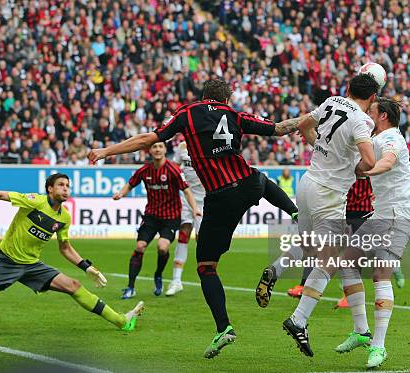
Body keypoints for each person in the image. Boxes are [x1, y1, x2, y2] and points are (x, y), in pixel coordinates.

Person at [88, 78, 302, 359]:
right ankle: (296, 212)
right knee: (260, 177)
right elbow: (279, 129)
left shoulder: (187, 113)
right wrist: (310, 119)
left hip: (220, 197)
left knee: (206, 267)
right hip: (249, 185)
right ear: (227, 98)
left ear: (204, 95)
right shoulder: (235, 114)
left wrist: (106, 151)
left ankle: (224, 327)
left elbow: (146, 139)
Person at [0, 174, 144, 338]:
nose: (66, 189)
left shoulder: (64, 217)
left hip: (32, 265)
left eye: (68, 186)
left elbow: (65, 248)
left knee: (73, 285)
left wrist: (87, 267)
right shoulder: (35, 201)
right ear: (50, 189)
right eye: (61, 185)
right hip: (6, 260)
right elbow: (2, 194)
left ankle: (122, 321)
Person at [256, 73, 379, 357]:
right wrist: (354, 169)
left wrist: (322, 149)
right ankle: (298, 319)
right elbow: (370, 161)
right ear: (372, 98)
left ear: (348, 89)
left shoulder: (332, 101)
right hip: (329, 193)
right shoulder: (362, 121)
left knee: (313, 248)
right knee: (330, 259)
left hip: (308, 183)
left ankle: (277, 268)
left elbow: (303, 126)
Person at [334, 97, 410, 368]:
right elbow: (359, 163)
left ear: (382, 115)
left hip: (400, 213)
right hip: (381, 213)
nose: (366, 114)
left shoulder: (392, 137)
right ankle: (361, 332)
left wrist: (369, 170)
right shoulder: (373, 138)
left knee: (380, 273)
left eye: (370, 111)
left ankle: (379, 347)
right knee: (346, 262)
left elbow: (388, 162)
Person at [112, 142, 201, 299]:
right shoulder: (144, 170)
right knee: (140, 246)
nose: (157, 149)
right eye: (154, 147)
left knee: (162, 247)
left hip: (170, 218)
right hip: (151, 216)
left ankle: (158, 275)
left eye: (160, 147)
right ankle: (130, 287)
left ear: (165, 150)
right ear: (150, 151)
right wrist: (120, 194)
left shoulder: (173, 170)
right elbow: (131, 183)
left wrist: (194, 208)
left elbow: (186, 190)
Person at [165, 141, 206, 296]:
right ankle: (176, 280)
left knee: (202, 240)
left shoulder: (208, 142)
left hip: (204, 199)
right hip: (186, 196)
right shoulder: (183, 146)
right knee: (183, 234)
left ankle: (207, 278)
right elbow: (175, 166)